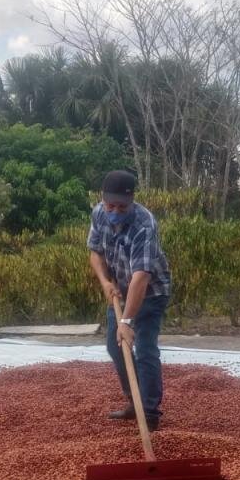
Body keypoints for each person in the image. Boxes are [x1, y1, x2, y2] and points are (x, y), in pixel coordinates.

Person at [87, 170, 172, 431]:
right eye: (110, 205)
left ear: (132, 200)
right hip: (120, 290)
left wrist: (127, 320)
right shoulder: (99, 213)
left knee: (144, 348)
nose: (114, 211)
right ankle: (132, 400)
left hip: (150, 291)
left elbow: (141, 278)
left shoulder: (144, 225)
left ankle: (149, 412)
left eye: (121, 206)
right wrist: (105, 282)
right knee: (116, 347)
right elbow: (95, 252)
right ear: (103, 200)